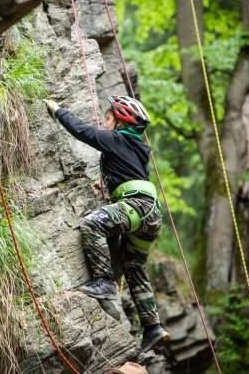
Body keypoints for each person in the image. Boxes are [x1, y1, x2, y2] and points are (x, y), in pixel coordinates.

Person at [43, 95, 171, 360]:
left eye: (109, 117)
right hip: (151, 213)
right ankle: (153, 328)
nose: (104, 122)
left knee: (93, 223)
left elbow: (83, 132)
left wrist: (58, 111)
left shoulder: (117, 139)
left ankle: (104, 282)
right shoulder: (138, 148)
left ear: (121, 120)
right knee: (134, 267)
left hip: (136, 206)